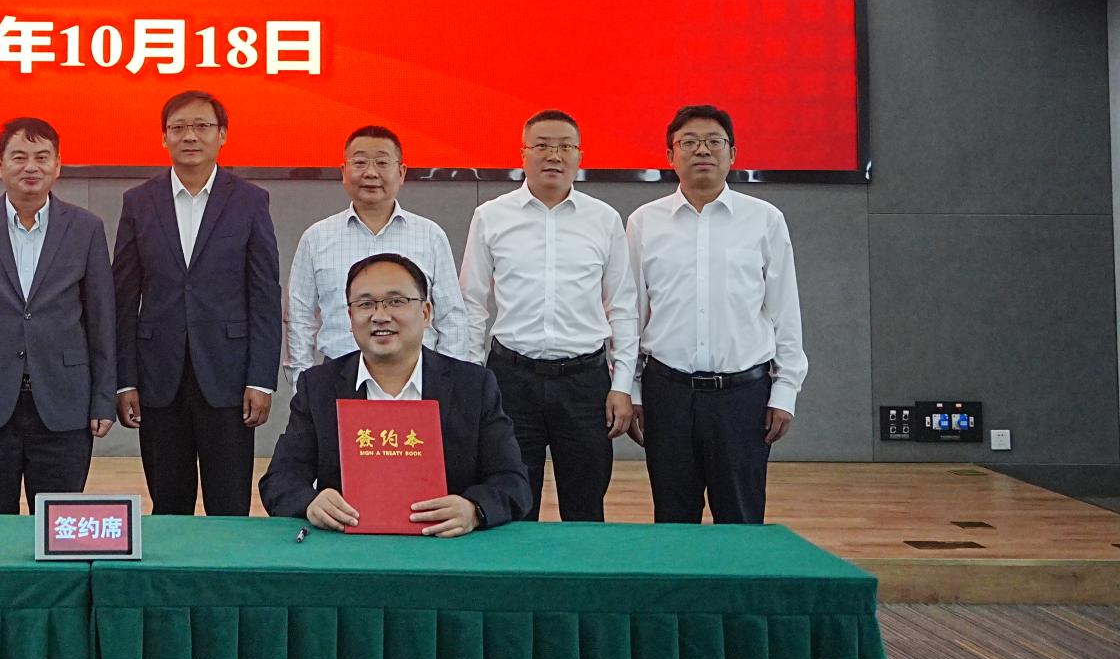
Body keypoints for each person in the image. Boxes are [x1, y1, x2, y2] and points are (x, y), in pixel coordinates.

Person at [627, 104, 808, 525]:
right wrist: (632, 389)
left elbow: (785, 311)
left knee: (741, 521)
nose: (702, 150)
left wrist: (785, 392)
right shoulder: (643, 223)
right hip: (667, 394)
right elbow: (631, 315)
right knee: (673, 521)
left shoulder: (764, 220)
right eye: (689, 142)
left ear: (733, 154)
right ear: (670, 155)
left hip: (743, 397)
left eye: (714, 141)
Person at [261, 254, 531, 534]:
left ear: (426, 313)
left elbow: (513, 481)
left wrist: (474, 509)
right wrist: (310, 502)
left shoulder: (473, 386)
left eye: (396, 301)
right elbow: (279, 479)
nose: (380, 316)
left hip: (447, 546)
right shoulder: (319, 387)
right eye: (365, 304)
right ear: (350, 317)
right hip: (347, 546)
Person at [459, 109, 636, 522]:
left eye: (564, 146)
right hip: (511, 379)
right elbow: (471, 304)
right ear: (523, 154)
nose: (553, 155)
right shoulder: (491, 216)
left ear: (579, 156)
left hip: (585, 383)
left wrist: (623, 384)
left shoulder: (604, 219)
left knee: (586, 506)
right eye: (542, 145)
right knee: (513, 502)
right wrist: (470, 381)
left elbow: (623, 306)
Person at [0, 117, 116, 514]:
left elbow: (102, 321)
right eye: (18, 157)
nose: (30, 167)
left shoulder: (86, 228)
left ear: (57, 165)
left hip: (64, 402)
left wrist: (103, 399)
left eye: (41, 157)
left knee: (58, 521)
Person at [112, 90, 279, 515]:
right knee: (169, 504)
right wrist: (124, 380)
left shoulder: (250, 200)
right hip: (158, 376)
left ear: (222, 135)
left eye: (202, 126)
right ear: (163, 137)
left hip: (229, 376)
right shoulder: (139, 202)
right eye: (179, 127)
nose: (190, 136)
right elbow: (123, 298)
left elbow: (264, 295)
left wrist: (261, 380)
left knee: (230, 505)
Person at [284, 125, 469, 374]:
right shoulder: (316, 238)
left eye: (382, 163)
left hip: (417, 376)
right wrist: (302, 381)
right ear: (344, 172)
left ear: (401, 172)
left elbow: (452, 317)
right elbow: (299, 317)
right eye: (360, 163)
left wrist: (449, 380)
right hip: (339, 375)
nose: (371, 173)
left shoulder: (430, 235)